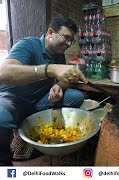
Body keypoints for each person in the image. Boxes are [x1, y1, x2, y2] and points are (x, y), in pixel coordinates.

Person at [0, 15, 88, 166]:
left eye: (71, 41)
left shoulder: (59, 55)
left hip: (38, 101)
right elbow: (4, 73)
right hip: (13, 99)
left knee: (77, 96)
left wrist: (58, 86)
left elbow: (62, 80)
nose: (68, 44)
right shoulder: (27, 44)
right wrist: (50, 69)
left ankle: (39, 129)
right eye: (66, 37)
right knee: (1, 115)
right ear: (50, 32)